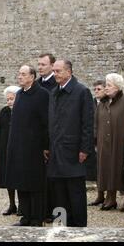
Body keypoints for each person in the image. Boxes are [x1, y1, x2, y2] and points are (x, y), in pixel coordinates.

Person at [47, 60, 94, 227]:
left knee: (75, 195)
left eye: (58, 71)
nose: (55, 74)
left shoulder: (82, 92)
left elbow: (88, 123)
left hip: (73, 152)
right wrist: (48, 146)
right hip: (56, 151)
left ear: (68, 72)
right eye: (54, 71)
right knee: (58, 195)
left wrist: (85, 149)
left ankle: (79, 229)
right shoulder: (53, 93)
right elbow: (51, 122)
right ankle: (60, 227)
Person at [6, 65, 49, 227]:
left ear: (32, 76)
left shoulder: (42, 95)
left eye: (23, 74)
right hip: (18, 147)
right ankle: (26, 216)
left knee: (35, 185)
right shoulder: (19, 94)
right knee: (21, 183)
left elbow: (46, 122)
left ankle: (37, 218)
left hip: (34, 148)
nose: (20, 77)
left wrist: (46, 146)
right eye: (19, 74)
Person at [96, 73, 124, 212]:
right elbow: (97, 123)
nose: (106, 88)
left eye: (109, 85)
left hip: (122, 143)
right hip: (104, 143)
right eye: (106, 85)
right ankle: (110, 198)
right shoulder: (102, 104)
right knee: (106, 169)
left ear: (118, 87)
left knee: (123, 171)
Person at [0, 85, 21, 216]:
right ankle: (11, 204)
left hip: (18, 149)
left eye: (12, 99)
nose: (9, 101)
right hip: (4, 149)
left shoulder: (21, 111)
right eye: (7, 99)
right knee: (7, 178)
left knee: (19, 178)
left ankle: (22, 205)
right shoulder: (4, 111)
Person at [37, 53, 57, 223]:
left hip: (52, 136)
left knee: (52, 177)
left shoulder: (55, 85)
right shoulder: (37, 85)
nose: (40, 67)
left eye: (43, 64)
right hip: (38, 137)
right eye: (39, 64)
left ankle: (52, 210)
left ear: (52, 65)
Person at [88, 80, 106, 206]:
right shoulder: (92, 103)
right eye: (95, 90)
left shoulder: (107, 104)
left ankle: (110, 196)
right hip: (94, 140)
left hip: (105, 139)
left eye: (99, 89)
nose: (96, 92)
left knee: (107, 168)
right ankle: (100, 195)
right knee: (98, 169)